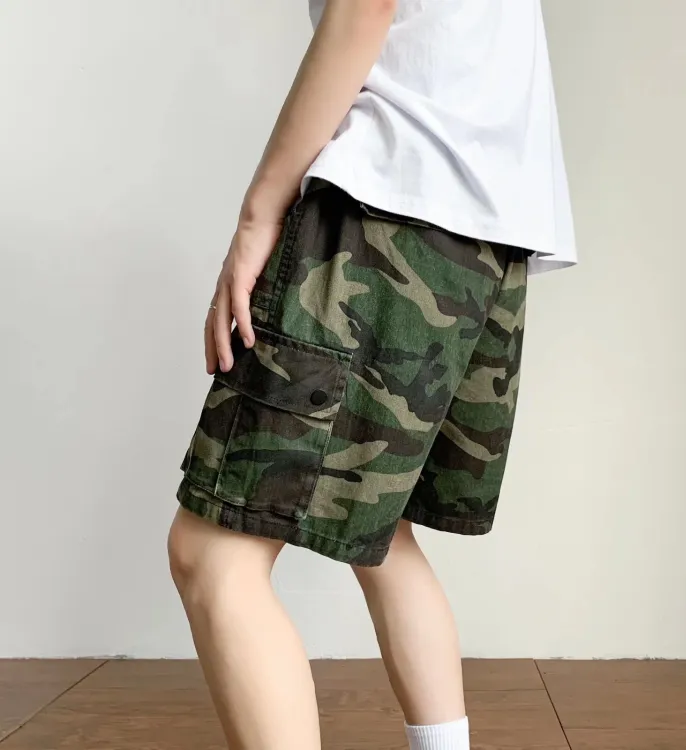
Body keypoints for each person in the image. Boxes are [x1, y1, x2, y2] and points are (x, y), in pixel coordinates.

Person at [167, 1, 576, 748]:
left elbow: (366, 7)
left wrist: (258, 216)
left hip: (386, 210)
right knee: (387, 540)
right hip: (493, 230)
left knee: (212, 556)